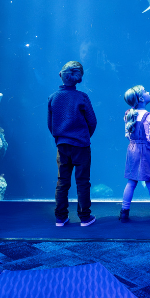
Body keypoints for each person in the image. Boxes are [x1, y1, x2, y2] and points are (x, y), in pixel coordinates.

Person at [48, 61, 98, 227]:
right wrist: (83, 136)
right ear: (79, 78)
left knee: (62, 181)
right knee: (82, 181)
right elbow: (92, 121)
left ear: (60, 75)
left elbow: (50, 124)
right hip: (81, 146)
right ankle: (85, 217)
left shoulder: (53, 98)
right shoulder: (82, 97)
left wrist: (61, 138)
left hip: (62, 146)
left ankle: (60, 217)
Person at [120, 85, 150, 222]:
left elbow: (127, 135)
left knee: (131, 181)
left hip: (132, 149)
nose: (148, 92)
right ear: (140, 98)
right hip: (147, 151)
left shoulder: (129, 114)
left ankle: (124, 212)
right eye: (145, 91)